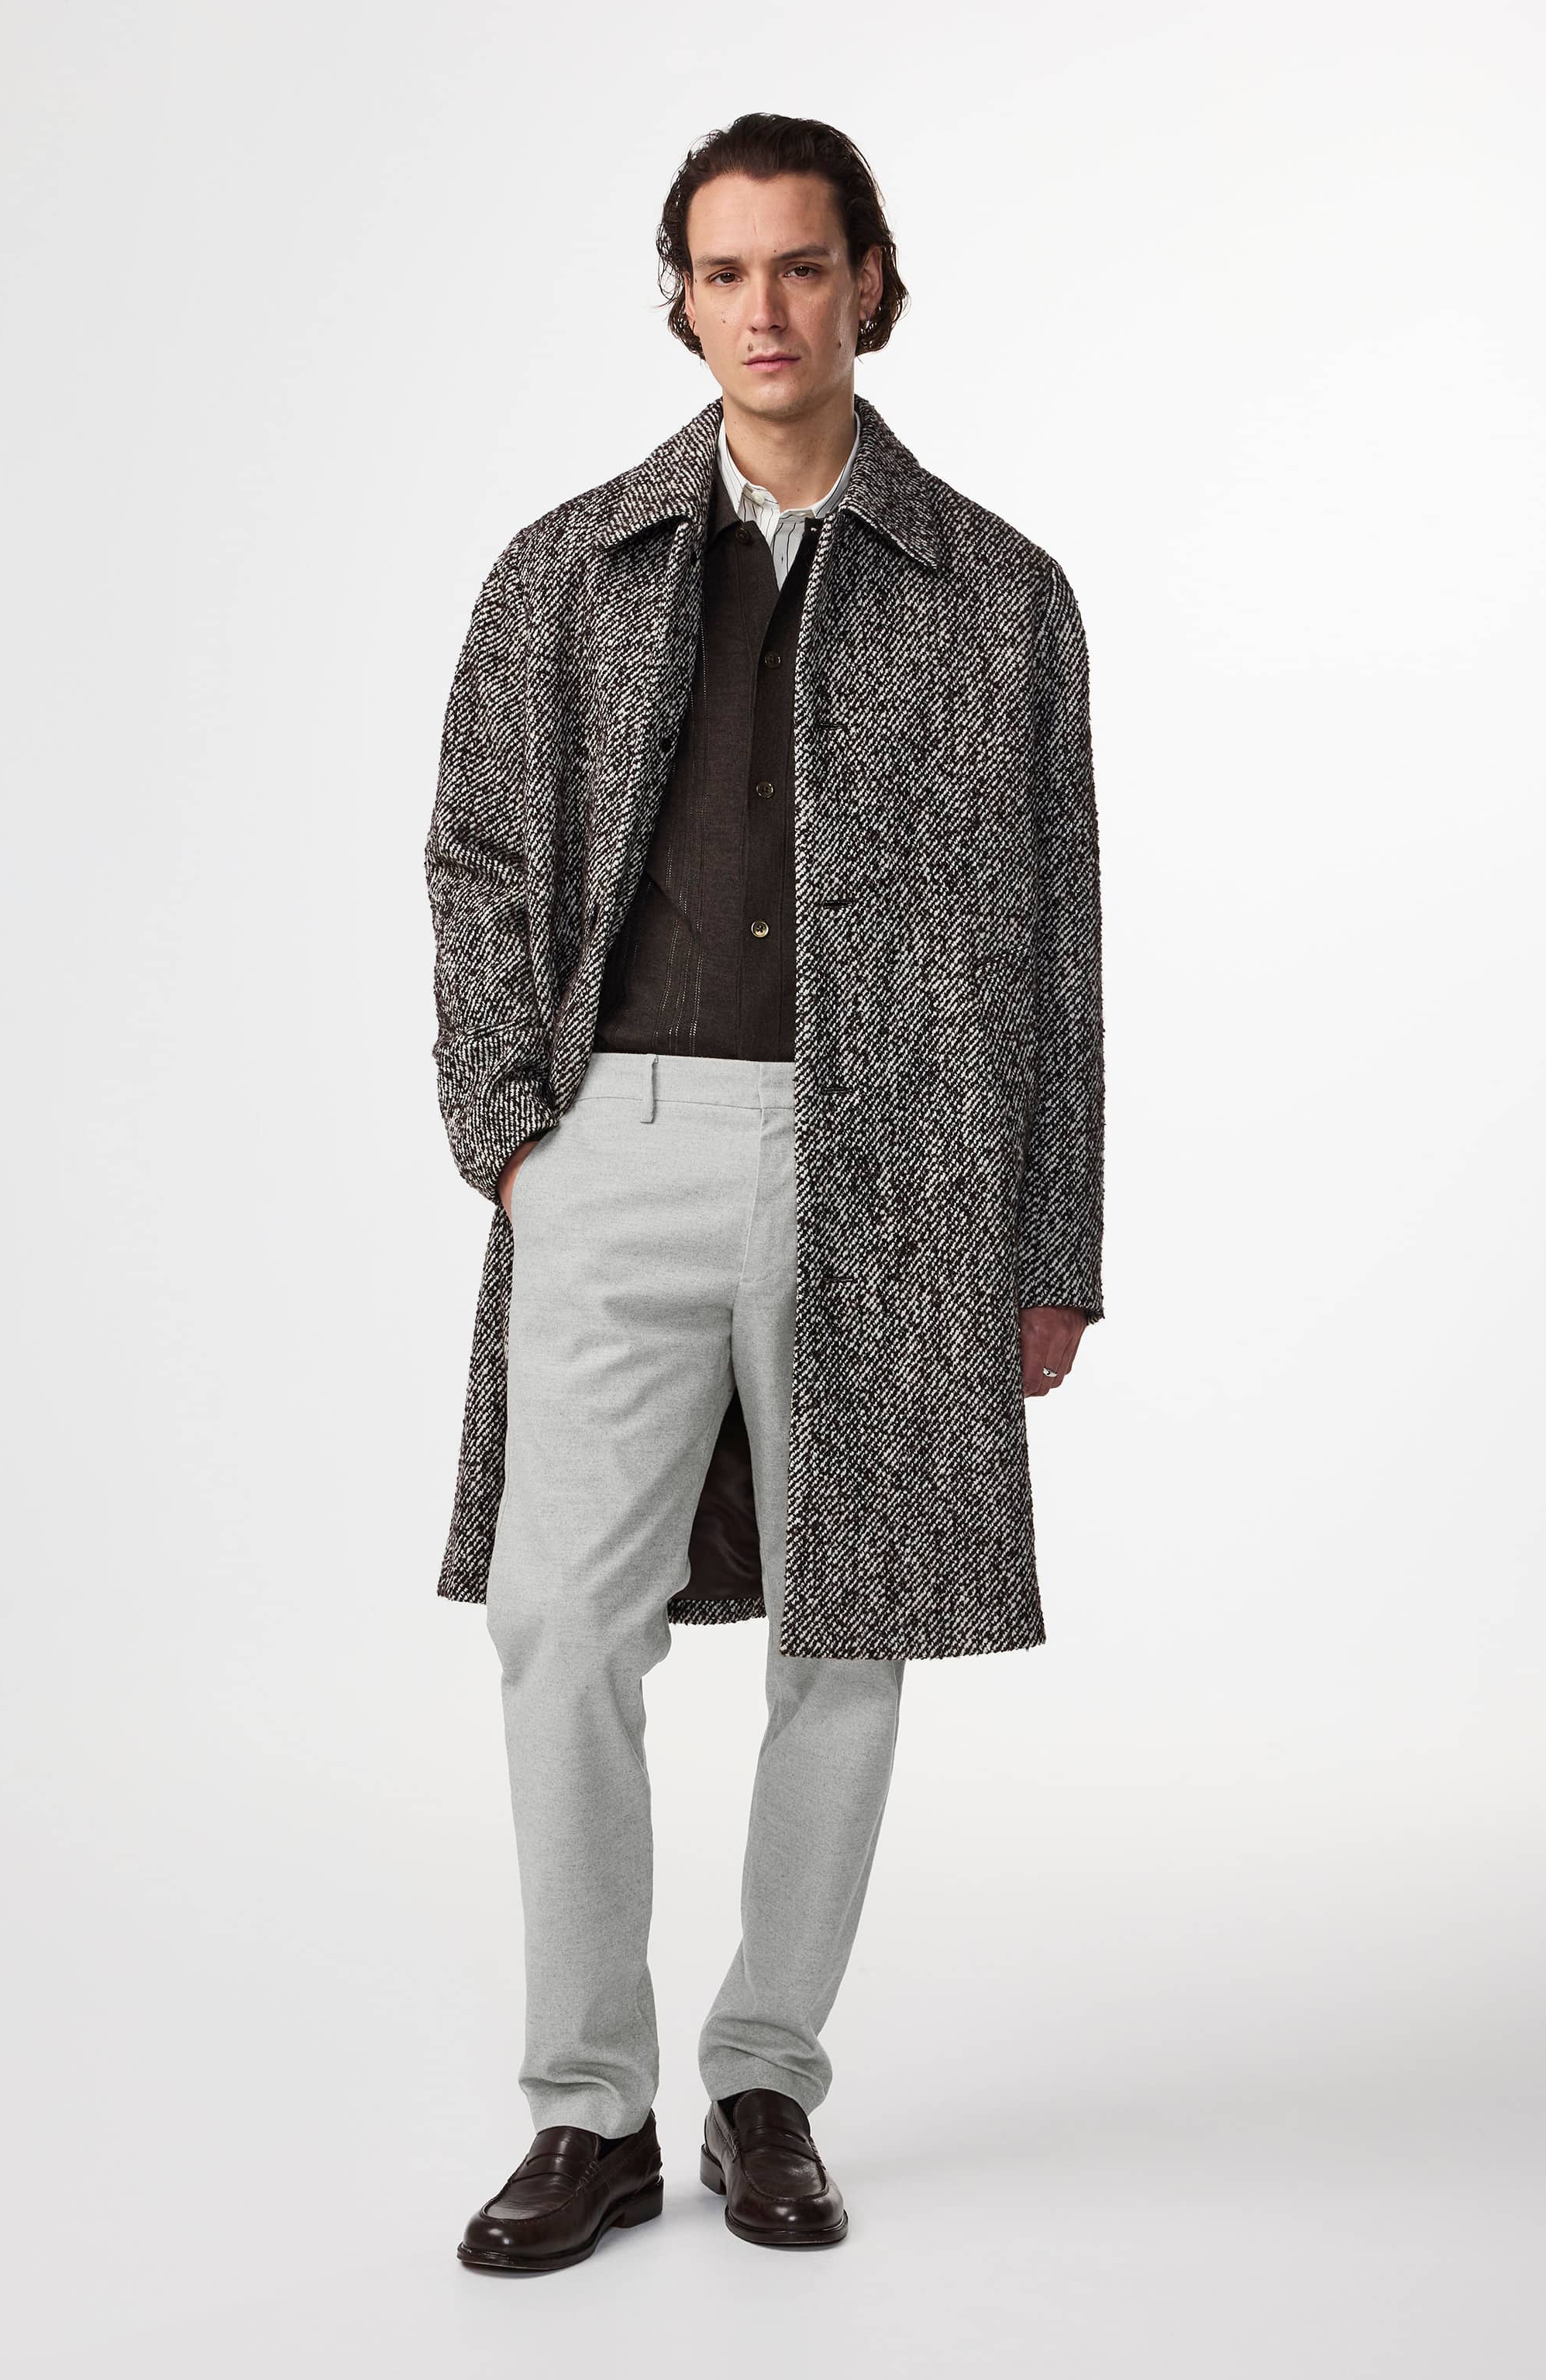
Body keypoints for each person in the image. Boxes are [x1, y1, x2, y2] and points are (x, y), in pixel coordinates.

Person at [425, 111, 1105, 2274]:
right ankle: (586, 2111)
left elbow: (1058, 942)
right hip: (611, 1146)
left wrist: (1050, 1243)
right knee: (560, 1624)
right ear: (684, 299)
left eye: (802, 266)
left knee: (851, 1629)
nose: (766, 310)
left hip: (893, 1161)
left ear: (870, 281)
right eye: (724, 273)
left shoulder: (998, 595)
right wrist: (512, 1131)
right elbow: (477, 864)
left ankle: (764, 2082)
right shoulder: (567, 567)